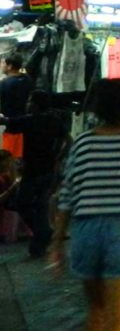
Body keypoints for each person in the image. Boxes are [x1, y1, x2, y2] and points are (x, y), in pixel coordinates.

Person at [51, 79, 120, 331]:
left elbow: (67, 194)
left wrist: (57, 242)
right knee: (117, 322)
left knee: (96, 313)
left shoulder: (82, 142)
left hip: (84, 232)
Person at [0, 90, 67, 256]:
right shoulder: (55, 120)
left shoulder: (29, 121)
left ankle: (41, 234)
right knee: (41, 206)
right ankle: (40, 241)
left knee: (23, 203)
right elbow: (67, 139)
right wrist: (59, 155)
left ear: (36, 104)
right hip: (49, 171)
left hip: (32, 171)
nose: (27, 104)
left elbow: (6, 121)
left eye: (30, 101)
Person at [0, 54, 32, 157]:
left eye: (3, 63)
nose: (1, 65)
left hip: (10, 126)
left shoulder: (4, 84)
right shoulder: (27, 80)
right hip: (26, 125)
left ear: (10, 66)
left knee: (8, 157)